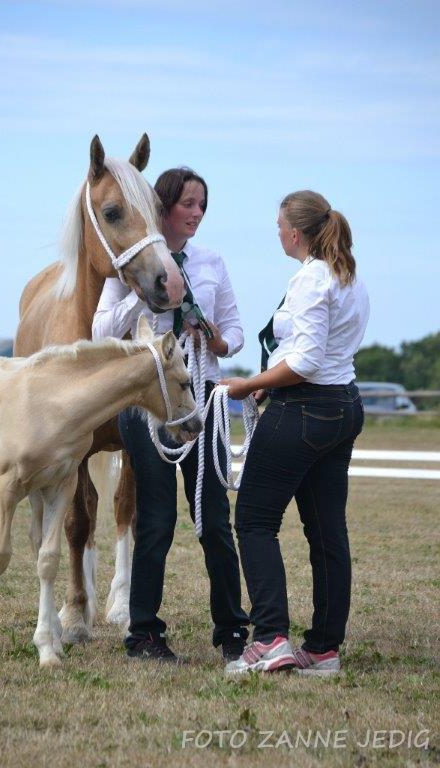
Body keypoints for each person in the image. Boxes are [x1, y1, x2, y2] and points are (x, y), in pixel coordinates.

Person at [92, 167, 249, 663]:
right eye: (188, 204)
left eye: (203, 205)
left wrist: (215, 337)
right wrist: (139, 298)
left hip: (199, 393)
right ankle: (144, 632)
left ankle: (231, 630)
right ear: (163, 208)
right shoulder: (132, 266)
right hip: (149, 405)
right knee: (155, 520)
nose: (197, 213)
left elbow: (236, 332)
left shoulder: (211, 262)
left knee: (213, 519)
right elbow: (101, 331)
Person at [222, 190, 369, 677]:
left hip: (304, 410)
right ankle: (324, 648)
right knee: (328, 531)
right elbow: (323, 355)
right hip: (343, 406)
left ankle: (269, 639)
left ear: (296, 232)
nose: (277, 231)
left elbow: (304, 364)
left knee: (255, 521)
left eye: (279, 224)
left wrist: (249, 385)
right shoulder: (349, 277)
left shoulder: (310, 279)